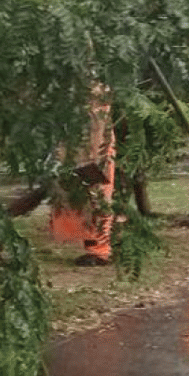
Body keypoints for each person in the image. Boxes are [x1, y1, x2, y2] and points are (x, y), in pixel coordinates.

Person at [49, 83, 116, 266]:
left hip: (95, 150)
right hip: (78, 146)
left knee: (97, 194)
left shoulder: (96, 94)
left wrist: (91, 157)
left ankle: (100, 250)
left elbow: (97, 125)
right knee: (81, 197)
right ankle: (94, 246)